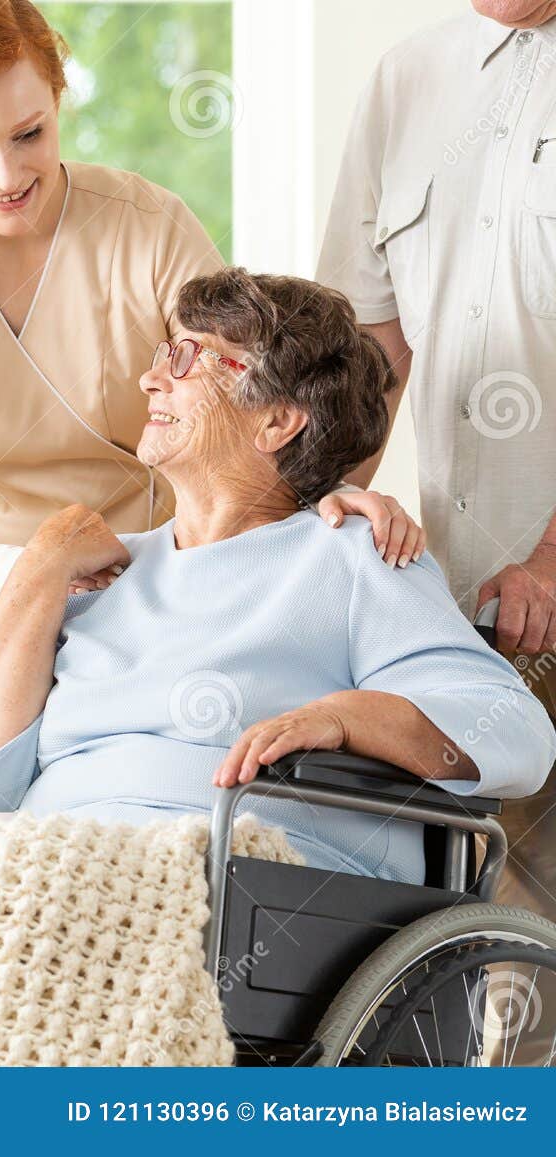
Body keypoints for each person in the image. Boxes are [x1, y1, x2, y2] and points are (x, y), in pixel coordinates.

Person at [0, 0, 423, 733]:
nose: (8, 172)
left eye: (30, 133)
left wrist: (326, 498)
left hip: (154, 606)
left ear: (57, 99)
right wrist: (33, 575)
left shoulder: (146, 228)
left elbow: (243, 401)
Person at [0, 269, 556, 884]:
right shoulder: (96, 571)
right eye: (163, 354)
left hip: (234, 886)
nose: (148, 380)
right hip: (51, 873)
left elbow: (515, 736)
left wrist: (345, 717)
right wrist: (43, 560)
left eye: (187, 359)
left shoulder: (350, 554)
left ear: (277, 421)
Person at [317, 0, 556, 918]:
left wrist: (549, 558)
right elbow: (365, 349)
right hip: (467, 618)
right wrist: (326, 514)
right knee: (487, 951)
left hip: (538, 582)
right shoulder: (406, 79)